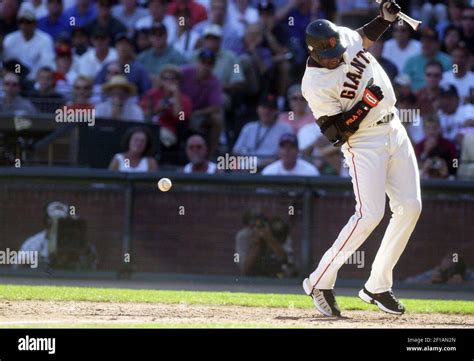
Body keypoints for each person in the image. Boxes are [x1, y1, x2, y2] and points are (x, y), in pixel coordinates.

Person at [301, 1, 422, 317]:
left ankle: (377, 286)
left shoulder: (341, 40)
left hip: (393, 126)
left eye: (335, 52)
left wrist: (384, 18)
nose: (334, 58)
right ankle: (319, 280)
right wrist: (364, 105)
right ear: (313, 53)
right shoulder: (314, 83)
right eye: (326, 56)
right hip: (363, 142)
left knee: (410, 207)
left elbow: (364, 37)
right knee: (370, 215)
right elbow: (334, 133)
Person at [180, 48, 224, 155]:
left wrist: (199, 113)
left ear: (213, 66)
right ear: (198, 62)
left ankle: (211, 153)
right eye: (203, 62)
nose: (205, 66)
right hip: (180, 109)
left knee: (217, 118)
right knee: (179, 115)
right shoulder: (185, 71)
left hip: (198, 114)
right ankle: (177, 149)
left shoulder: (214, 81)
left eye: (209, 63)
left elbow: (216, 107)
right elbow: (168, 76)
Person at [232, 94, 292, 168]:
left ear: (277, 111)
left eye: (271, 108)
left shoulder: (285, 129)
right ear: (258, 109)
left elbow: (289, 153)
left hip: (272, 168)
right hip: (247, 168)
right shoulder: (249, 128)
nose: (267, 111)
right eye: (264, 107)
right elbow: (236, 151)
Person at [140, 64, 192, 148]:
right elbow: (141, 113)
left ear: (178, 81)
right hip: (149, 127)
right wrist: (157, 110)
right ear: (161, 80)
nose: (169, 81)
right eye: (165, 78)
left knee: (154, 136)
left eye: (172, 78)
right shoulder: (152, 94)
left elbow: (180, 118)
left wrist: (175, 94)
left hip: (167, 131)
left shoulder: (184, 99)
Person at [2, 2, 55, 81]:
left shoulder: (45, 39)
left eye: (28, 22)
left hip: (35, 79)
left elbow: (46, 64)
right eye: (21, 22)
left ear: (34, 23)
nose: (24, 25)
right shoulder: (10, 38)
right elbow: (5, 61)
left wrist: (31, 77)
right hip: (13, 77)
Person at [235, 210, 295, 277]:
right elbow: (245, 269)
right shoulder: (243, 236)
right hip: (254, 278)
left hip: (277, 276)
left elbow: (286, 261)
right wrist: (256, 245)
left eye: (260, 226)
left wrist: (269, 239)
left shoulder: (279, 234)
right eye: (253, 226)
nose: (256, 230)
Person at [403, 27, 452, 92]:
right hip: (415, 97)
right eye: (424, 41)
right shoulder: (411, 61)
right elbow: (404, 82)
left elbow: (451, 82)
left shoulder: (447, 61)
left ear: (438, 43)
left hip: (440, 97)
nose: (426, 44)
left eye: (430, 41)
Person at [415, 114, 457, 179]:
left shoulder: (449, 145)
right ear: (424, 130)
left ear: (439, 128)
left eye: (434, 128)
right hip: (424, 180)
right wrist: (425, 153)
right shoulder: (419, 146)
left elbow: (455, 162)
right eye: (428, 128)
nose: (431, 132)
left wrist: (447, 166)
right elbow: (414, 165)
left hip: (446, 178)